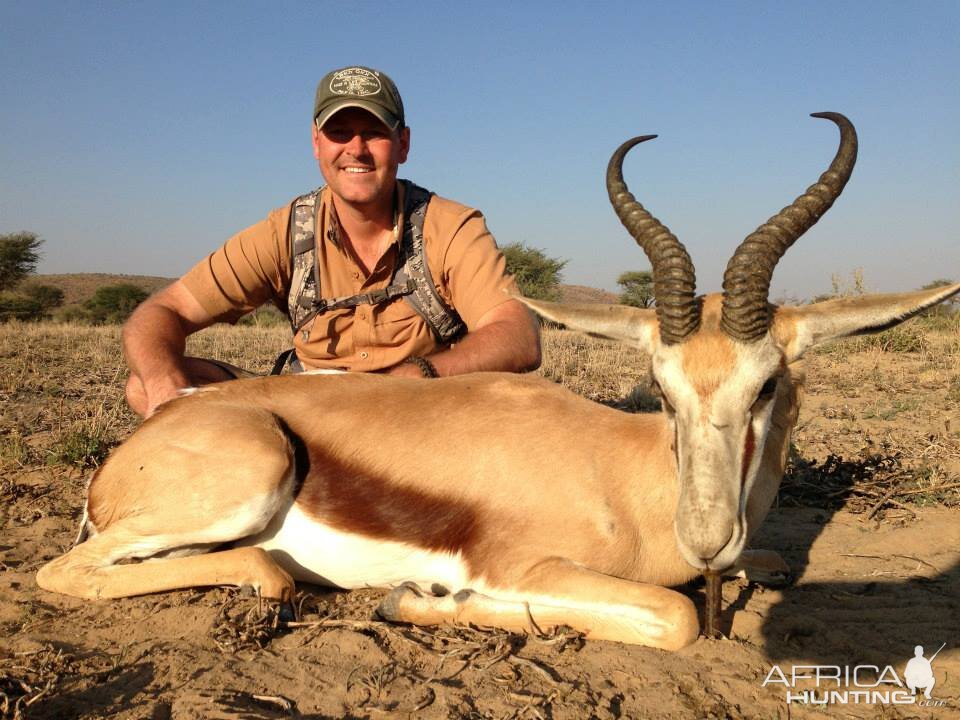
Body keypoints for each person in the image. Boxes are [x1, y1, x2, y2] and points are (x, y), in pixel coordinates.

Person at [123, 66, 541, 417]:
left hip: (418, 413)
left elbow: (518, 336)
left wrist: (418, 377)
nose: (355, 149)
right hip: (308, 410)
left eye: (374, 133)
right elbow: (164, 310)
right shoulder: (284, 231)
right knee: (144, 387)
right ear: (316, 143)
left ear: (403, 144)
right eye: (339, 132)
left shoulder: (449, 226)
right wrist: (166, 390)